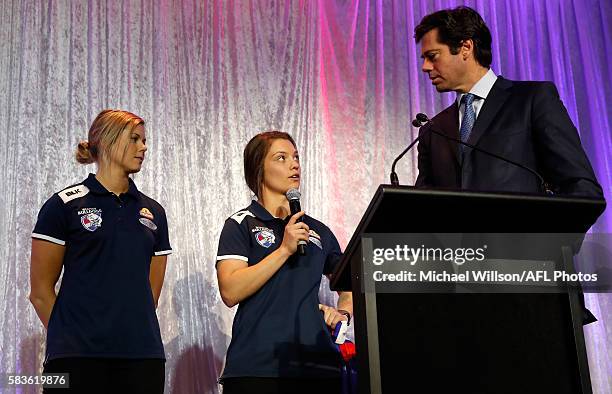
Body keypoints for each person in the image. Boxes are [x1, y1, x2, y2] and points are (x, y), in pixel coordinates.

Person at [29, 110, 171, 393]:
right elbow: (40, 292)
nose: (143, 147)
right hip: (75, 360)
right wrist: (71, 337)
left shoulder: (154, 212)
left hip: (142, 358)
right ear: (106, 141)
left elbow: (149, 295)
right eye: (134, 139)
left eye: (144, 140)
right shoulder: (63, 205)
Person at [413, 6, 603, 199]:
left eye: (432, 56)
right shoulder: (432, 130)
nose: (425, 67)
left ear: (466, 48)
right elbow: (424, 206)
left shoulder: (533, 100)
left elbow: (582, 190)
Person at [216, 131, 353, 394]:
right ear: (259, 168)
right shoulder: (241, 224)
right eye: (281, 157)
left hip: (317, 367)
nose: (294, 164)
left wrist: (343, 314)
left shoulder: (318, 231)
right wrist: (284, 250)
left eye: (296, 157)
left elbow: (350, 283)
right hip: (257, 367)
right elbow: (230, 291)